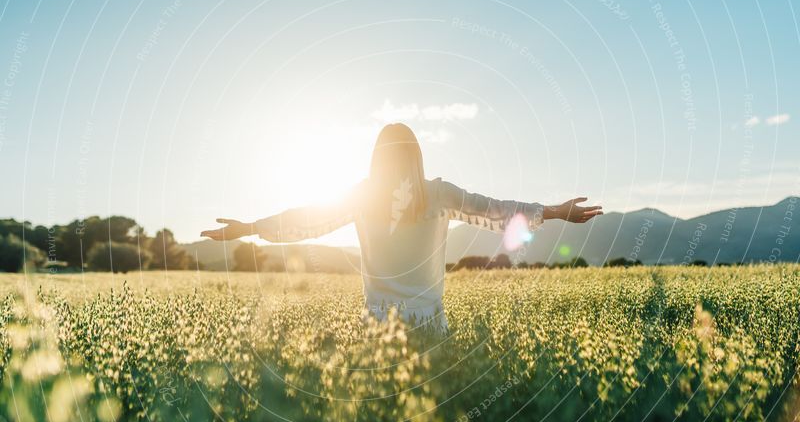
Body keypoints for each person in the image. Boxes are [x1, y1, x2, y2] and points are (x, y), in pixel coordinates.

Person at [201, 123, 602, 334]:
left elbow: (304, 220)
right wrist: (552, 212)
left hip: (376, 332)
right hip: (431, 328)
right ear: (418, 156)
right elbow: (498, 210)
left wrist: (250, 227)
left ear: (377, 159)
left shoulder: (363, 197)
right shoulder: (439, 194)